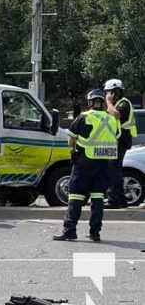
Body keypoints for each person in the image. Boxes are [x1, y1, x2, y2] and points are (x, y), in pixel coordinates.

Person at [53, 89, 119, 242]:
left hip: (85, 162)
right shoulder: (111, 120)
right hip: (104, 164)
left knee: (75, 196)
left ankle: (70, 230)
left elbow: (71, 141)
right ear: (102, 102)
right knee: (97, 198)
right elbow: (116, 136)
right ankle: (95, 232)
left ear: (90, 102)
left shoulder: (83, 117)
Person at [104, 78, 136, 208]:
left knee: (113, 169)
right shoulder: (116, 104)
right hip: (115, 140)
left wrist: (108, 102)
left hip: (121, 140)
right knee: (115, 169)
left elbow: (116, 115)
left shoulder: (124, 103)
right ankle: (121, 200)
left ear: (115, 92)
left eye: (108, 92)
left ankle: (114, 200)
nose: (107, 95)